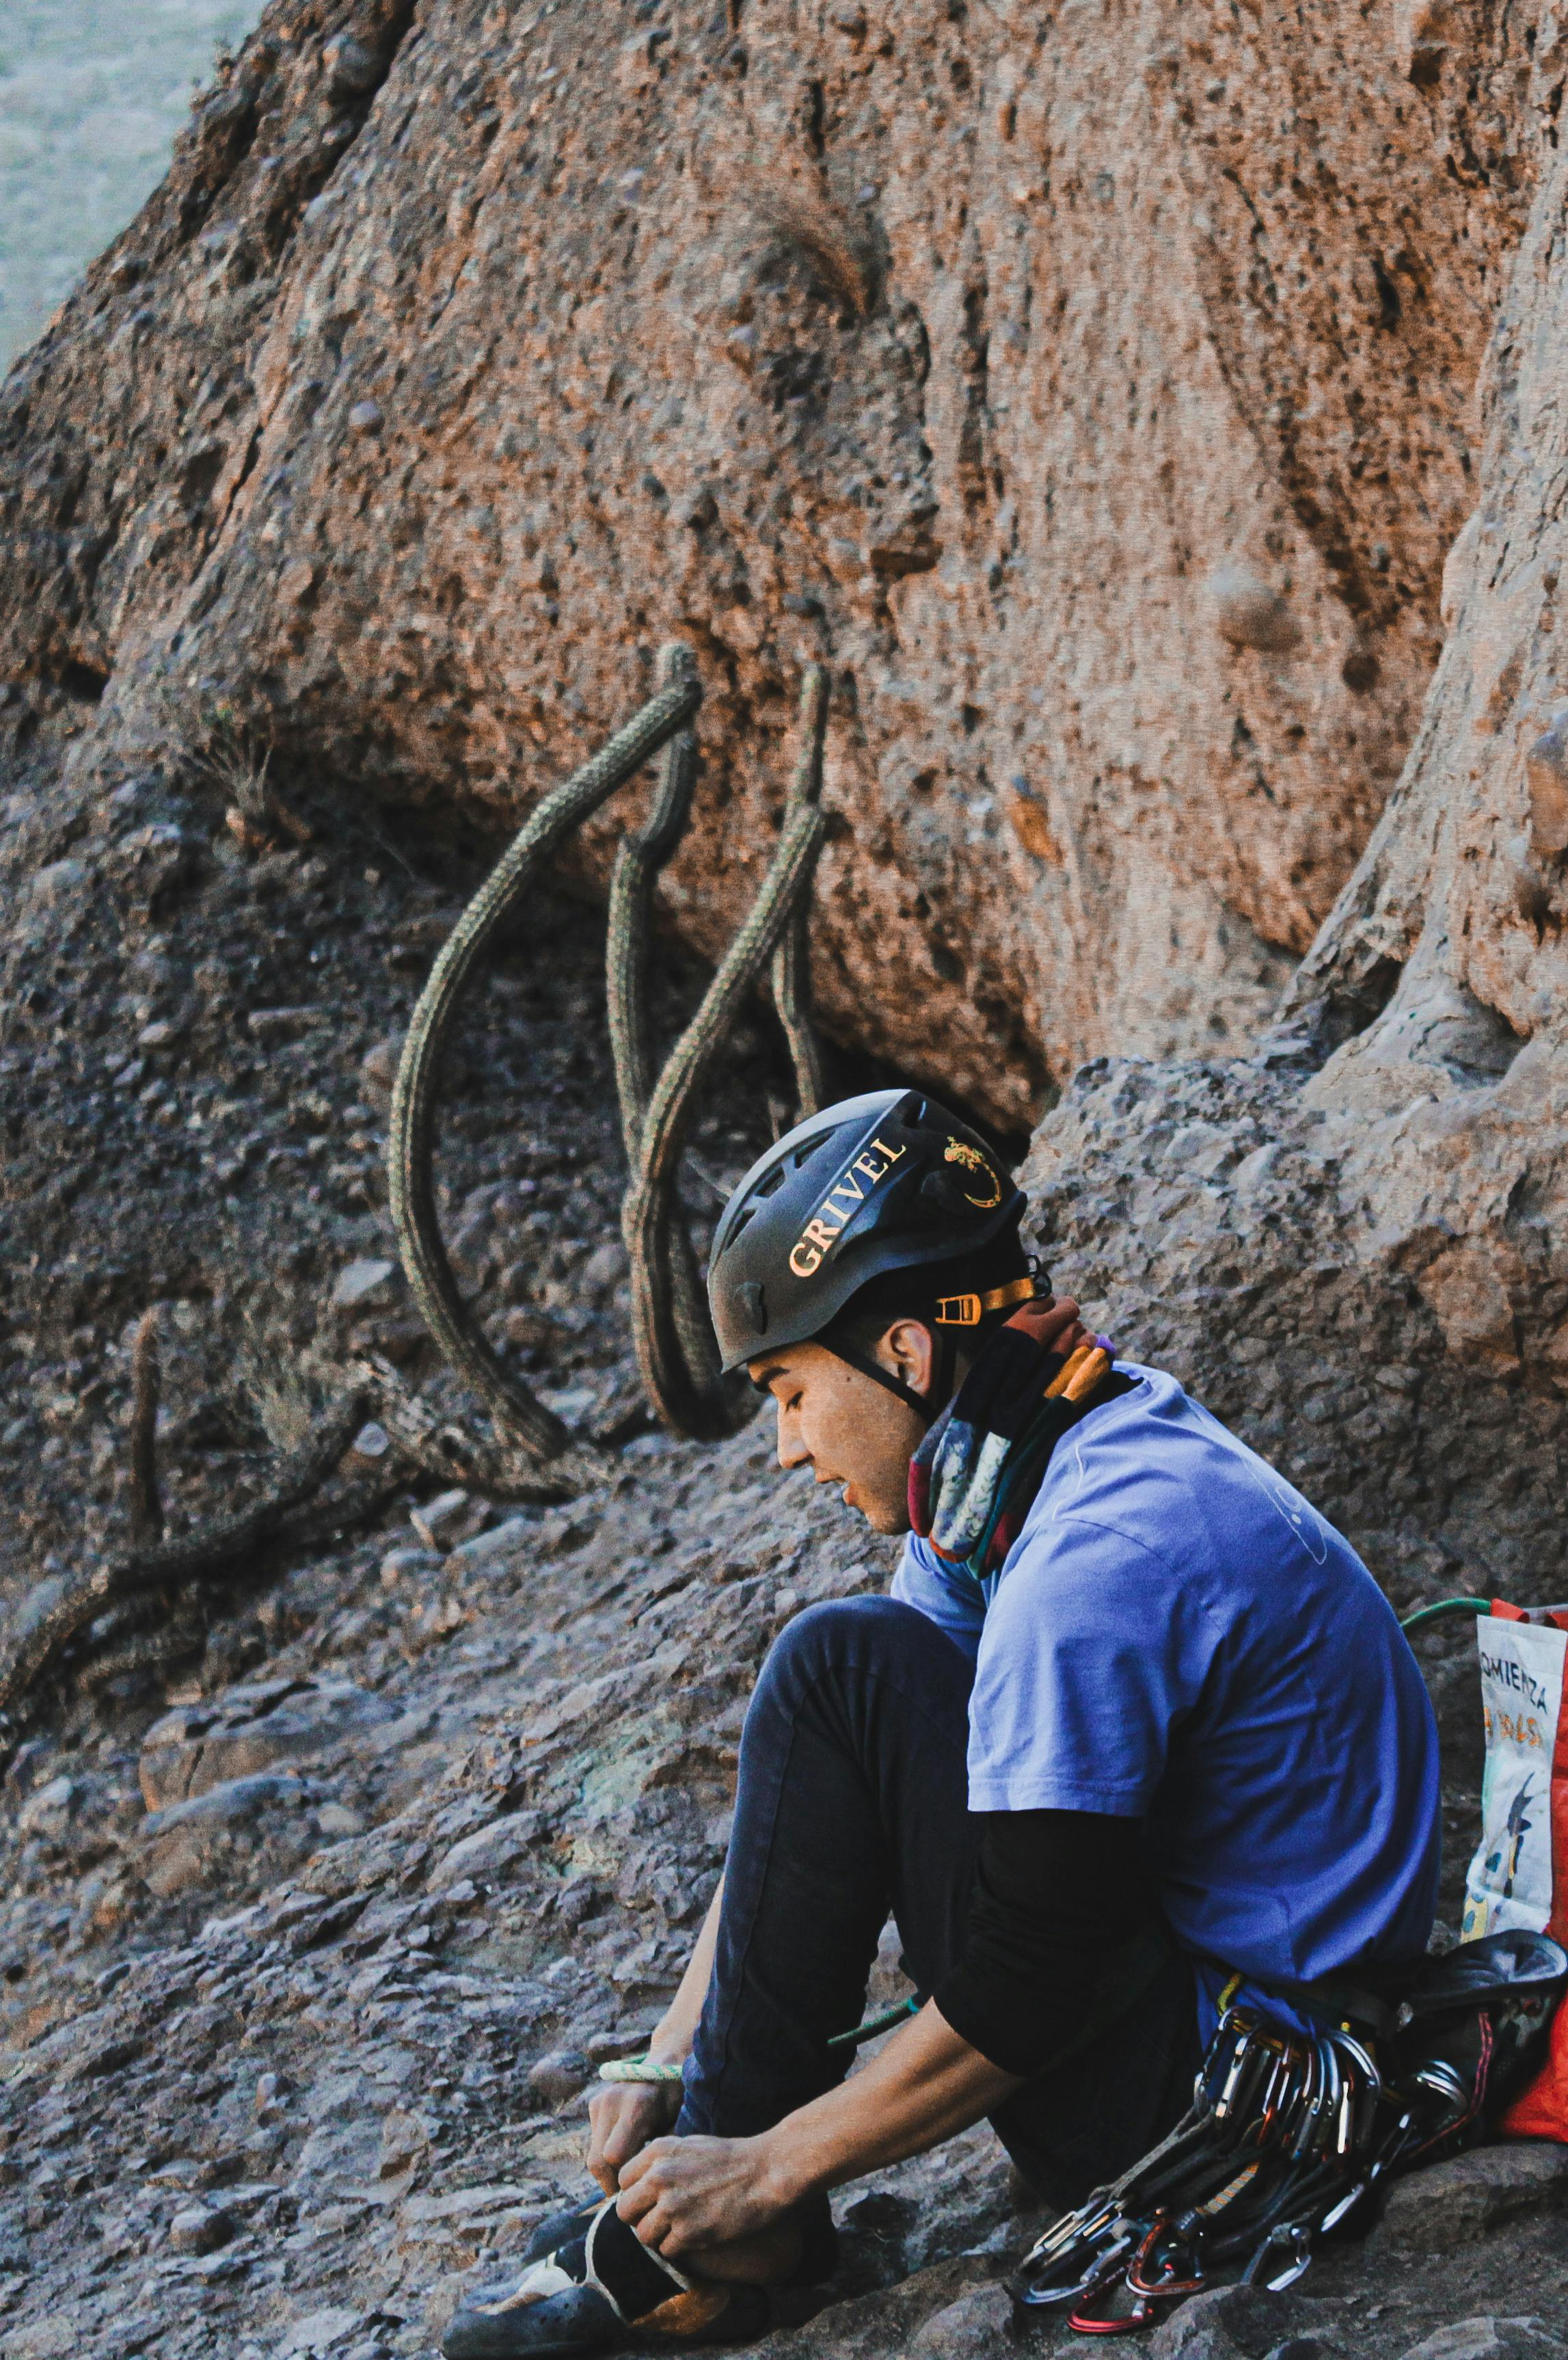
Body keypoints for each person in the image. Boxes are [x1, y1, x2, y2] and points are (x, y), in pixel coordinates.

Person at [444, 1089, 1441, 2359]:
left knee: (834, 1663)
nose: (788, 1447)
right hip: (1220, 2001)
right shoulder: (1035, 1447)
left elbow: (1029, 1980)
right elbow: (826, 1772)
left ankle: (741, 2232)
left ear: (906, 1356)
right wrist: (666, 2059)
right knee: (846, 1669)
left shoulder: (1090, 1563)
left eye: (791, 1392)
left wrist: (766, 2164)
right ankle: (721, 2192)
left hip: (1231, 2113)